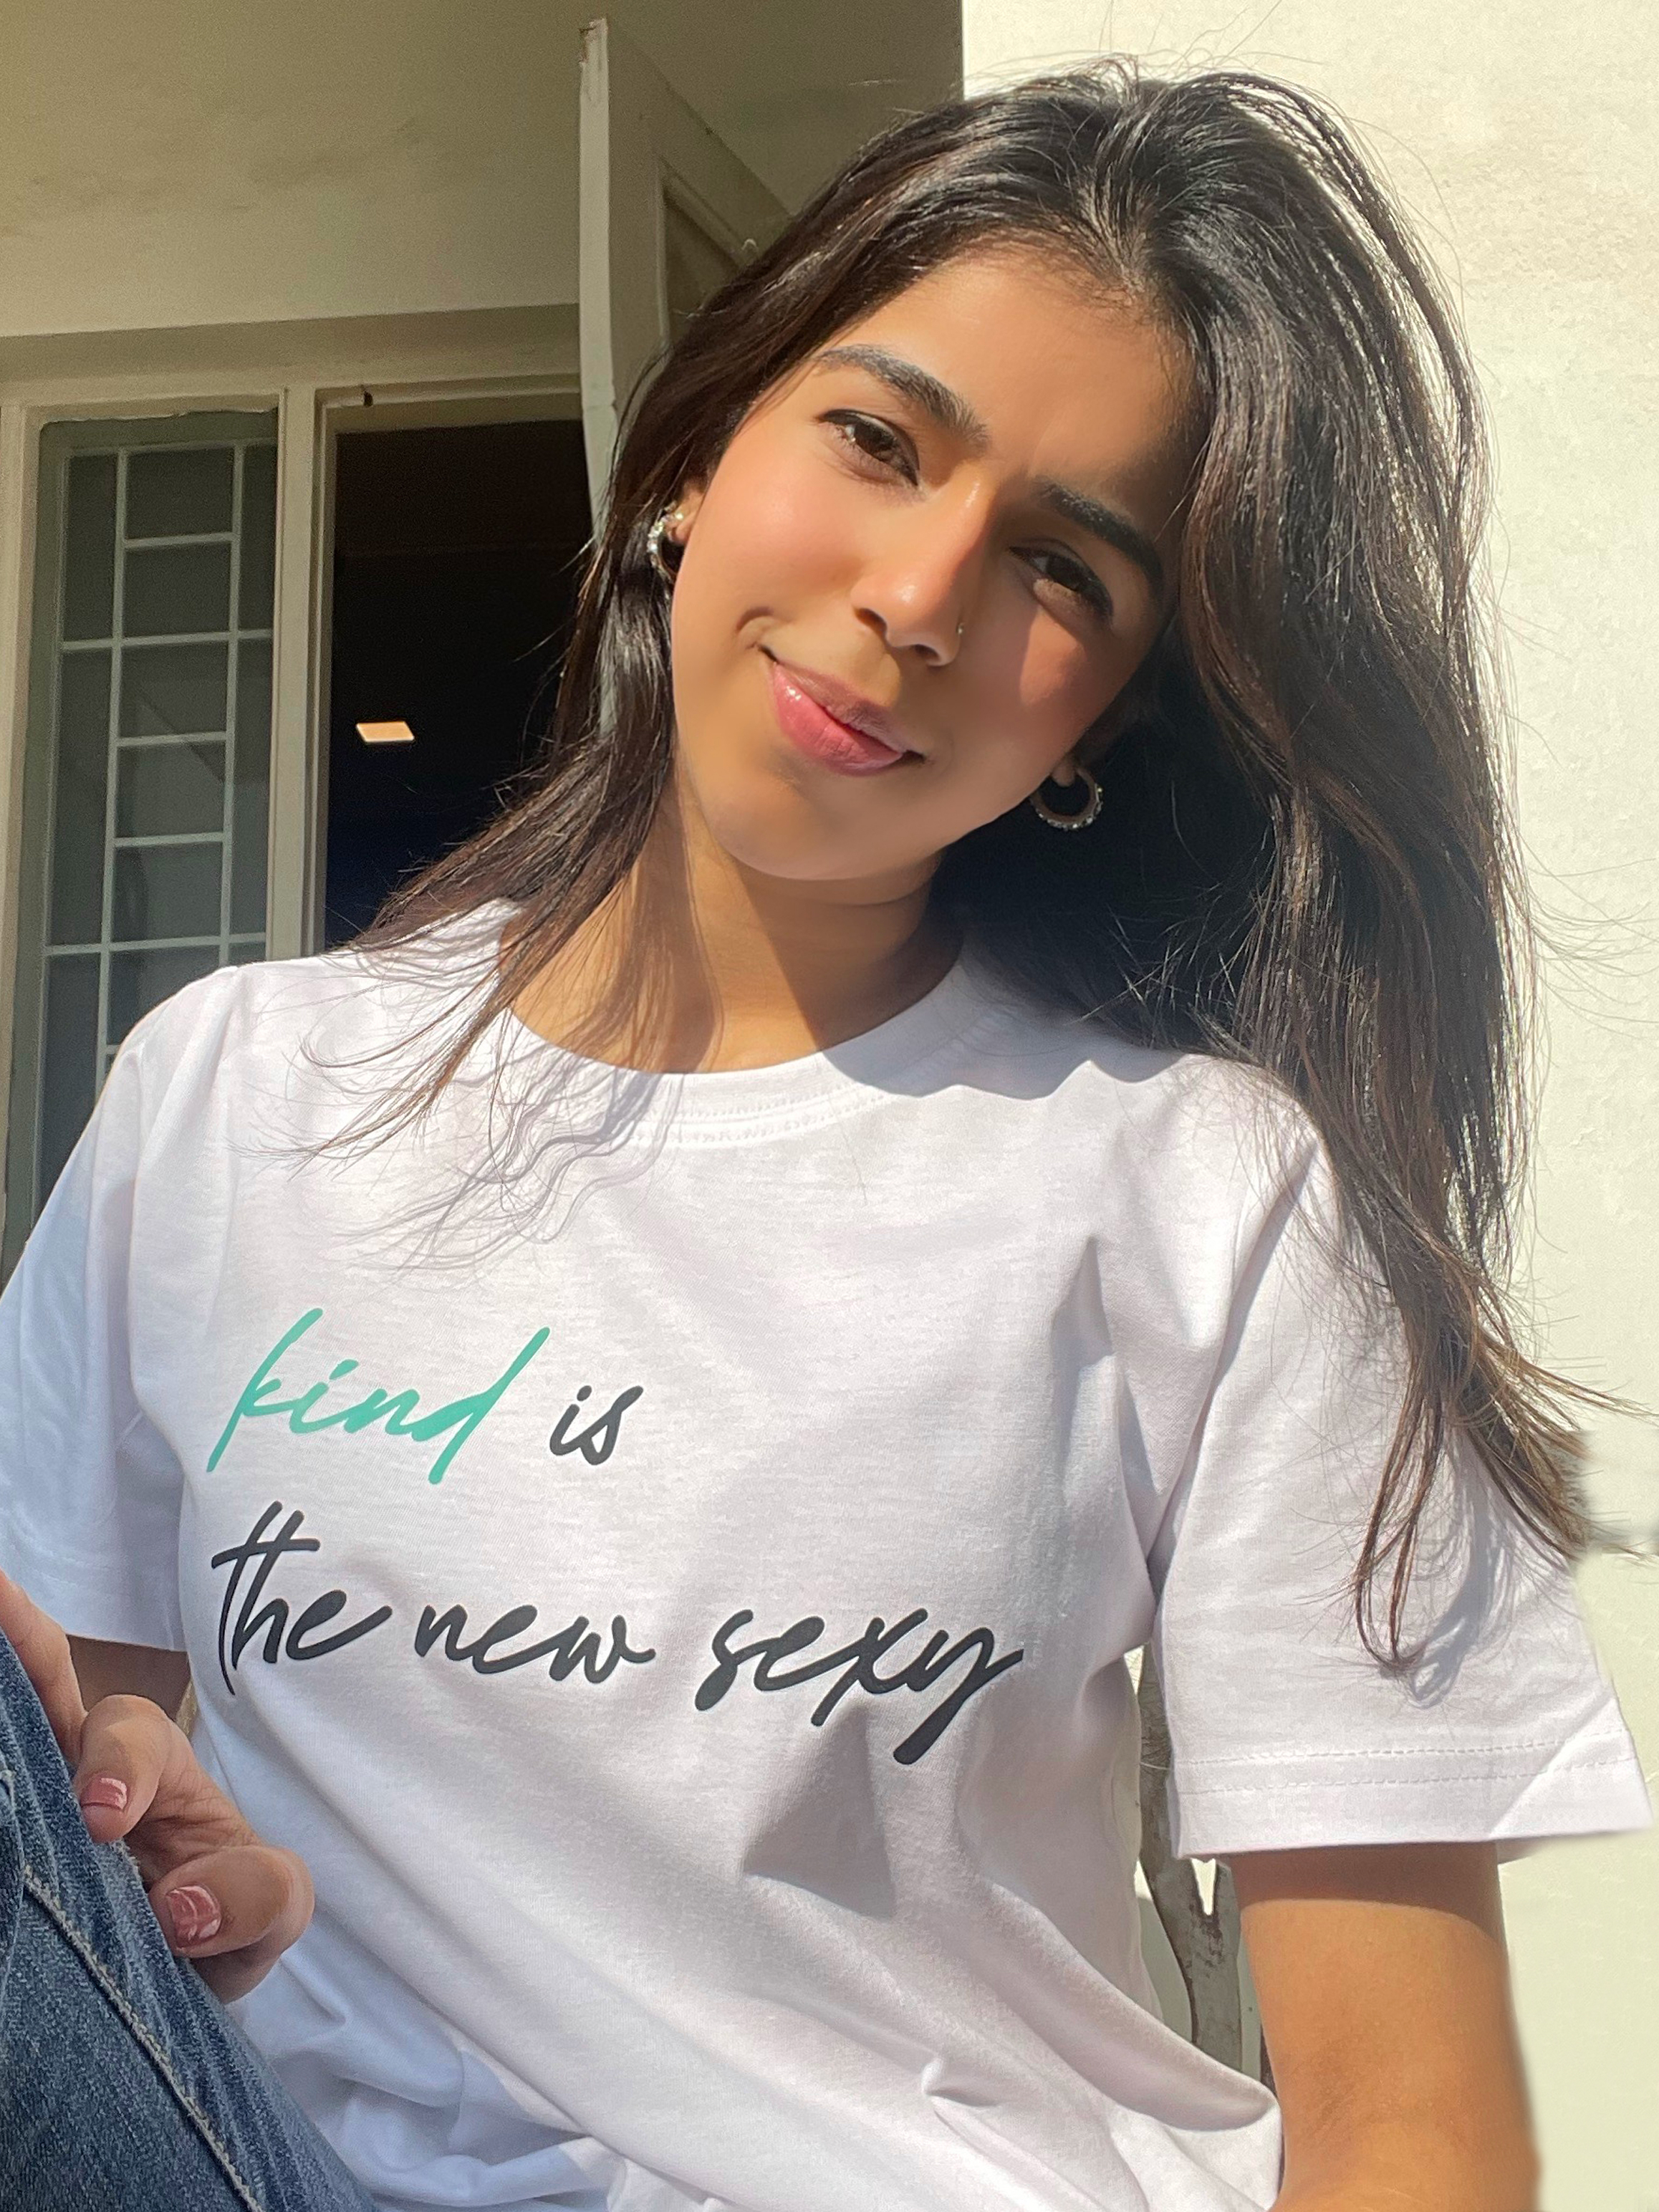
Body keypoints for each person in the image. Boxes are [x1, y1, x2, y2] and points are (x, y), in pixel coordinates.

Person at [0, 58, 1647, 2212]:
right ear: (696, 458)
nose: (922, 595)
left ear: (1108, 715)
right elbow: (96, 1786)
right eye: (878, 440)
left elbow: (1411, 2124)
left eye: (1062, 569)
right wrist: (146, 1828)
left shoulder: (1208, 1196)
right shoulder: (230, 1097)